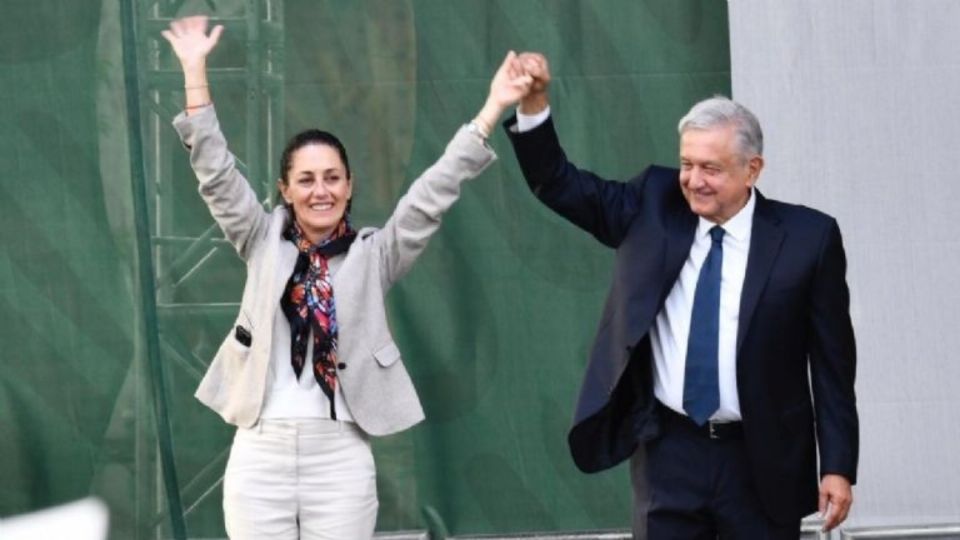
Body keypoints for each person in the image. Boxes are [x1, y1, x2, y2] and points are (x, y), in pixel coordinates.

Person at [161, 15, 532, 539]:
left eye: (332, 178)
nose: (321, 190)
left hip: (340, 453)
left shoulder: (374, 253)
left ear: (349, 186)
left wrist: (492, 108)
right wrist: (194, 68)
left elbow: (434, 191)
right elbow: (216, 173)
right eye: (306, 179)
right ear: (285, 190)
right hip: (259, 450)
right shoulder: (260, 237)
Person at [503, 53, 858, 539]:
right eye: (687, 164)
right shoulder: (652, 204)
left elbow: (833, 366)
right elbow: (559, 183)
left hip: (761, 458)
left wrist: (837, 465)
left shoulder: (808, 238)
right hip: (668, 451)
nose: (693, 180)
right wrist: (534, 103)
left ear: (752, 169)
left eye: (710, 168)